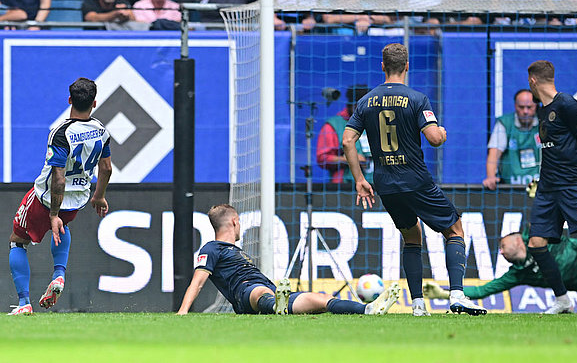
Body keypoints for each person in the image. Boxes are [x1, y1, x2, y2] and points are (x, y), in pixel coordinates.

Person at [342, 43, 487, 317]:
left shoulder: (365, 101)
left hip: (385, 182)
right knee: (454, 229)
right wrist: (442, 133)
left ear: (382, 67)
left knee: (411, 236)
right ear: (407, 66)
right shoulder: (417, 98)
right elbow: (434, 139)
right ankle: (457, 295)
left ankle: (418, 304)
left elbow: (348, 140)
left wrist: (360, 179)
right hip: (415, 179)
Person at [177, 204, 401, 315]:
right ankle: (276, 304)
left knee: (320, 300)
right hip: (245, 292)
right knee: (259, 293)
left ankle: (367, 309)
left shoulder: (238, 251)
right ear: (235, 221)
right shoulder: (212, 248)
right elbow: (197, 281)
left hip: (269, 289)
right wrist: (183, 311)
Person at [8, 78, 112, 315]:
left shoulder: (61, 132)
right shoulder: (101, 131)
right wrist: (99, 196)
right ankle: (59, 274)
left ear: (69, 100)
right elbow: (106, 168)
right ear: (94, 103)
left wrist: (53, 213)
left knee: (18, 241)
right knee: (63, 226)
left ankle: (24, 302)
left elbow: (58, 177)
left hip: (47, 198)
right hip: (78, 199)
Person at [526, 60, 577, 314]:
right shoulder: (542, 110)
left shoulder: (567, 104)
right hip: (548, 188)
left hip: (572, 185)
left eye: (529, 82)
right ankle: (562, 300)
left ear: (533, 81)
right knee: (536, 243)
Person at [424, 228, 577, 313]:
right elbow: (482, 290)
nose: (500, 251)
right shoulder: (517, 274)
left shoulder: (536, 237)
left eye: (502, 246)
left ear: (517, 241)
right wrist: (443, 293)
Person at [483, 89, 540, 190]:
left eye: (529, 107)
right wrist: (491, 177)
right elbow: (494, 153)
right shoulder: (504, 123)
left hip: (539, 187)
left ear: (536, 106)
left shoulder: (543, 122)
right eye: (521, 107)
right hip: (510, 188)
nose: (525, 111)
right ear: (515, 106)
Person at [317, 85, 373, 184]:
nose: (361, 110)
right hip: (345, 187)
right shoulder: (334, 125)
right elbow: (323, 158)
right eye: (357, 105)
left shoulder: (376, 123)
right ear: (351, 104)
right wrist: (348, 159)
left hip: (376, 186)